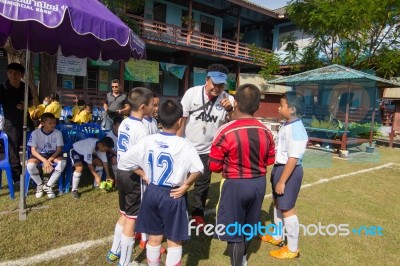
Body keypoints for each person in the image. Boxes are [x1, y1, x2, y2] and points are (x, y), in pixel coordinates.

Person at [118, 99, 203, 266]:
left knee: (154, 238)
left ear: (159, 119)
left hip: (152, 192)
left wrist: (144, 175)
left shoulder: (148, 140)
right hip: (174, 194)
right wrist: (186, 185)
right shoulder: (184, 144)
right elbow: (198, 169)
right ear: (180, 121)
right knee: (174, 240)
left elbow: (124, 162)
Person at [209, 84, 276, 266]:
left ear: (235, 102)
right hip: (258, 184)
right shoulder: (266, 131)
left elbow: (214, 165)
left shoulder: (225, 131)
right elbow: (270, 160)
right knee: (247, 227)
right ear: (257, 106)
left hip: (235, 185)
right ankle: (242, 259)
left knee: (234, 231)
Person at [177, 63, 234, 228]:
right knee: (180, 180)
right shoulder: (192, 93)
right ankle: (180, 210)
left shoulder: (228, 99)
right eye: (214, 83)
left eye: (221, 84)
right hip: (187, 147)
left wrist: (230, 110)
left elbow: (236, 122)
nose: (218, 88)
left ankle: (197, 214)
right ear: (206, 80)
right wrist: (178, 143)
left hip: (209, 150)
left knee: (202, 184)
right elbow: (183, 119)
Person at [107, 87, 154, 265]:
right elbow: (137, 160)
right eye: (151, 104)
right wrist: (146, 175)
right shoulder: (141, 129)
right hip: (133, 176)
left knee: (124, 214)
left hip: (121, 172)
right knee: (131, 221)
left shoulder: (125, 122)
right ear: (143, 107)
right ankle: (125, 262)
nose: (153, 108)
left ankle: (114, 251)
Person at [261, 91, 308, 260]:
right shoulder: (287, 125)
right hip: (279, 168)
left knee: (287, 208)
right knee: (277, 203)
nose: (278, 108)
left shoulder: (297, 129)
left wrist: (282, 180)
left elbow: (293, 158)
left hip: (289, 171)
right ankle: (277, 236)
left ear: (292, 109)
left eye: (282, 105)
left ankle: (293, 249)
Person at [0, 63, 33, 185]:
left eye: (17, 73)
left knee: (32, 147)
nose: (13, 76)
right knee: (13, 152)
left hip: (26, 121)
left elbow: (30, 103)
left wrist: (25, 105)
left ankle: (35, 171)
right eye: (11, 73)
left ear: (21, 75)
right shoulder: (2, 88)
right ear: (7, 73)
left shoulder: (25, 87)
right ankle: (16, 177)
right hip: (11, 125)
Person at [26, 113, 66, 198]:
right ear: (43, 123)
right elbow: (33, 151)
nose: (53, 125)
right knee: (30, 165)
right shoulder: (35, 133)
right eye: (50, 123)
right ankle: (39, 184)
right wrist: (45, 161)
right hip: (39, 154)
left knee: (62, 162)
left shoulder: (58, 133)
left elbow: (59, 150)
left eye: (54, 123)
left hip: (53, 154)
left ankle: (48, 186)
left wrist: (49, 160)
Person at [105, 116, 123, 183]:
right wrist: (116, 154)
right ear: (114, 126)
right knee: (114, 159)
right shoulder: (109, 135)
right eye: (118, 126)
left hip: (122, 152)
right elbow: (109, 148)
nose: (120, 128)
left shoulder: (124, 134)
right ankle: (117, 178)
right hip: (113, 153)